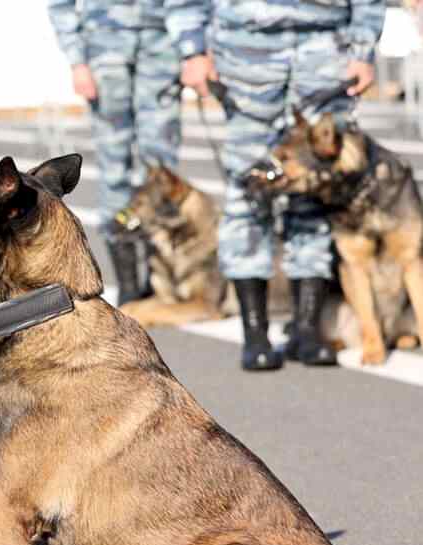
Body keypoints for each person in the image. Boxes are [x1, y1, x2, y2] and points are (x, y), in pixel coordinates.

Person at [167, 0, 386, 370]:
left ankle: (306, 329)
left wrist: (364, 48)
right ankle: (256, 335)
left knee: (317, 191)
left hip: (326, 53)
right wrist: (192, 49)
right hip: (246, 52)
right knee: (249, 191)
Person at [47, 0, 183, 305]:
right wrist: (77, 61)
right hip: (105, 48)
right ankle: (129, 284)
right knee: (115, 172)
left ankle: (159, 277)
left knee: (161, 170)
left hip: (161, 44)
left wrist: (194, 49)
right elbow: (61, 5)